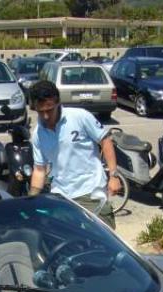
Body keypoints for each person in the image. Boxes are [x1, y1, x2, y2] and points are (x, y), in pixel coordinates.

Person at [28, 80, 119, 229]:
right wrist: (31, 200)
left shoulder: (79, 117)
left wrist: (114, 176)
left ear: (58, 103)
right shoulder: (38, 134)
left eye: (49, 110)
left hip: (91, 192)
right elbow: (39, 170)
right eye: (40, 111)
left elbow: (105, 140)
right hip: (61, 197)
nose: (45, 116)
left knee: (103, 241)